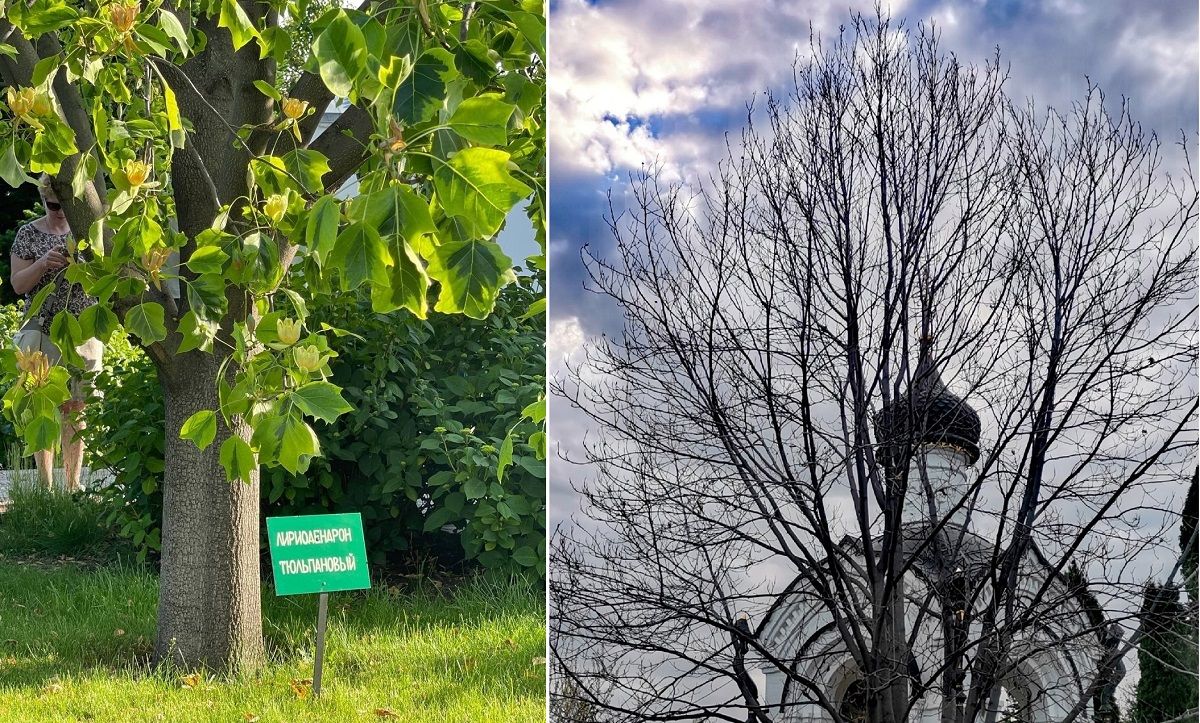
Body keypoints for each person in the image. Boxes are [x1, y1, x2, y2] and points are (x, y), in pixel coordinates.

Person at [9, 175, 102, 491]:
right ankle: (46, 486)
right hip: (41, 329)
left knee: (75, 408)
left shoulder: (87, 232)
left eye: (63, 204)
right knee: (42, 406)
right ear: (43, 200)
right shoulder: (28, 235)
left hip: (82, 329)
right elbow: (18, 284)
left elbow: (107, 276)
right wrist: (43, 265)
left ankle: (73, 486)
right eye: (52, 205)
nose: (59, 211)